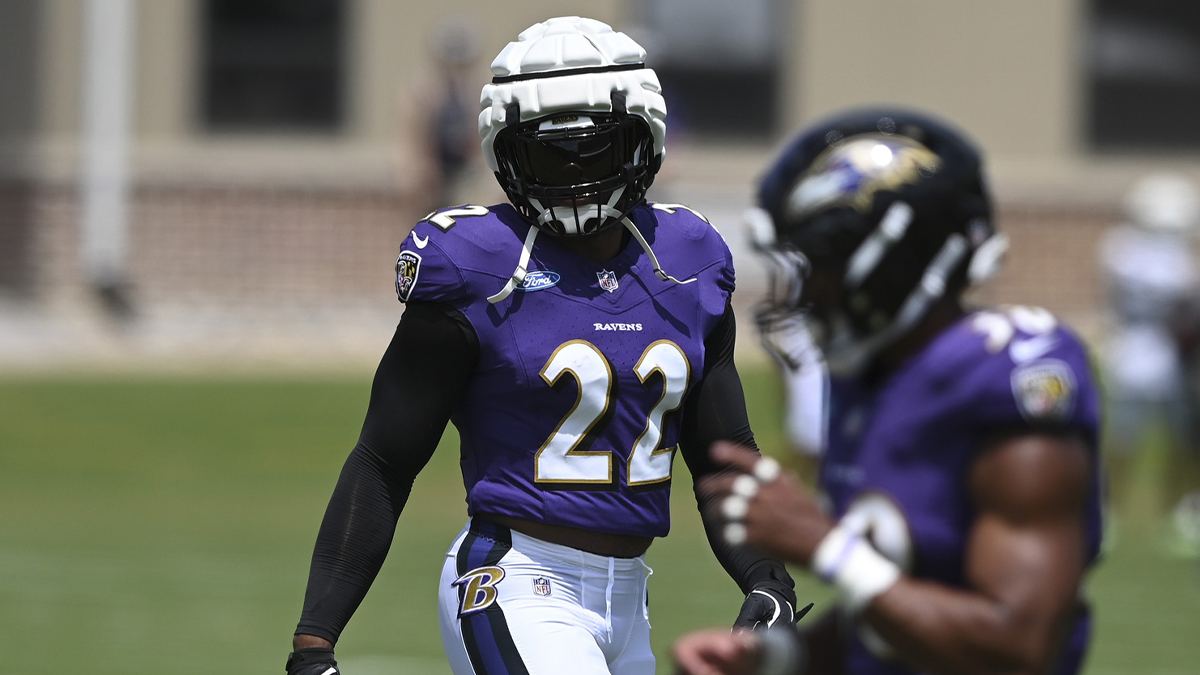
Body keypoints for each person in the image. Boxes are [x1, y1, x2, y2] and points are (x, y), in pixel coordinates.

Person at [285, 16, 799, 675]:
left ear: (645, 139)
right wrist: (314, 641)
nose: (576, 175)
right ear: (505, 153)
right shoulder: (475, 267)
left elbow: (724, 458)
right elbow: (385, 460)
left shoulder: (688, 260)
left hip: (629, 597)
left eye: (597, 148)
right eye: (550, 153)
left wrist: (765, 577)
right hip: (516, 579)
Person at [671, 108, 1104, 675]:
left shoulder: (1008, 378)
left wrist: (824, 545)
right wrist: (774, 658)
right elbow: (890, 619)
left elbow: (1019, 645)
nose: (807, 289)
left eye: (824, 263)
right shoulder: (872, 383)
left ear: (894, 259)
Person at [1097, 173, 1200, 557]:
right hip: (1140, 349)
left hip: (1159, 352)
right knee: (1125, 438)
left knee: (1180, 437)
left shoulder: (1130, 250)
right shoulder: (1127, 251)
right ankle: (1109, 508)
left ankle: (1180, 508)